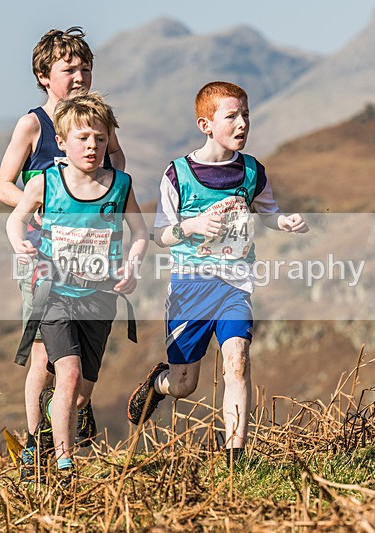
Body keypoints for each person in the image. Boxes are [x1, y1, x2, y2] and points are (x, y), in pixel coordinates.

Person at [126, 81, 308, 466]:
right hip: (190, 290)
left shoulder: (252, 171)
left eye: (246, 115)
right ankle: (158, 384)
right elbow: (160, 235)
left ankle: (235, 457)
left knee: (237, 361)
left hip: (234, 287)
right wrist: (193, 227)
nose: (242, 123)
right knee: (185, 385)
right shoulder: (178, 174)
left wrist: (284, 221)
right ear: (205, 124)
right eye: (232, 117)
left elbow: (267, 212)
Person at [0, 27, 125, 464]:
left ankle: (61, 428)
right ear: (43, 75)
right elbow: (2, 186)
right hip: (40, 253)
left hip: (91, 257)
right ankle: (34, 441)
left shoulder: (96, 122)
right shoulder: (33, 123)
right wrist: (43, 205)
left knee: (79, 363)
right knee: (44, 355)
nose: (80, 77)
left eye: (86, 68)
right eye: (69, 69)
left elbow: (117, 168)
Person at [7, 92, 147, 484]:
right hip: (54, 293)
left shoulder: (120, 185)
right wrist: (19, 241)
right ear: (63, 143)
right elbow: (15, 219)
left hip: (99, 297)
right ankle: (64, 465)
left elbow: (139, 232)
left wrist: (133, 265)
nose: (92, 146)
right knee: (65, 373)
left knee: (81, 390)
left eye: (100, 139)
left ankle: (47, 434)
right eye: (83, 138)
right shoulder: (45, 182)